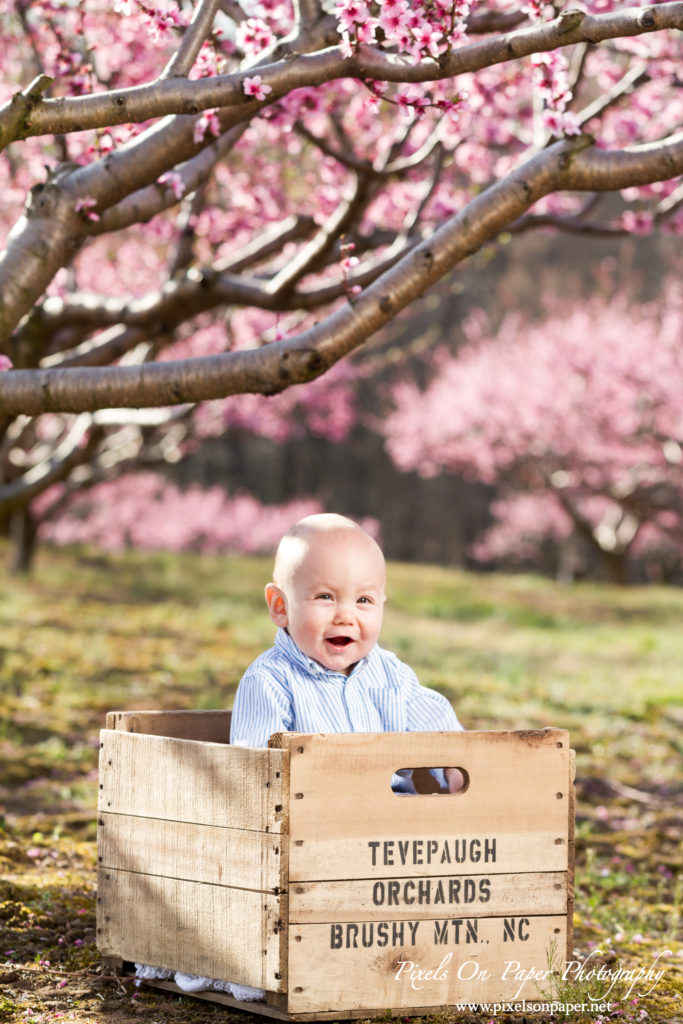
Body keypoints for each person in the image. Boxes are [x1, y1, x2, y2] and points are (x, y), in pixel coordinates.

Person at [230, 512, 465, 793]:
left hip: (397, 823)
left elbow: (439, 730)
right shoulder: (270, 681)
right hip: (312, 822)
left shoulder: (392, 674)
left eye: (363, 600)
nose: (346, 616)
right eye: (325, 597)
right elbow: (256, 773)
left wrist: (456, 771)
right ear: (280, 607)